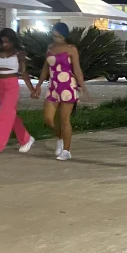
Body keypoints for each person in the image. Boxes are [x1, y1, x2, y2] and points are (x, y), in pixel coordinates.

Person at [0, 28, 37, 161]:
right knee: (10, 115)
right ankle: (26, 139)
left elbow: (24, 73)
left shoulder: (19, 53)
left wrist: (32, 89)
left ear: (13, 41)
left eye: (7, 42)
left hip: (11, 85)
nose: (5, 45)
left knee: (3, 115)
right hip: (0, 85)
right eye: (2, 42)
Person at [33, 22, 87, 161]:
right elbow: (45, 68)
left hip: (68, 86)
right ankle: (60, 138)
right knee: (48, 118)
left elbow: (77, 69)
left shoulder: (71, 49)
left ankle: (66, 151)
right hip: (53, 86)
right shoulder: (50, 48)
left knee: (64, 119)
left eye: (57, 33)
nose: (54, 35)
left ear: (63, 34)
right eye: (53, 33)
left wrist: (83, 86)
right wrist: (38, 85)